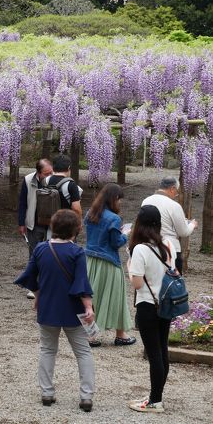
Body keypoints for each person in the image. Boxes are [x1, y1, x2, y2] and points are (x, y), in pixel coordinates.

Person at [14, 209, 95, 412]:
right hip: (73, 309)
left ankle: (47, 393)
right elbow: (81, 283)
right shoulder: (77, 252)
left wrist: (39, 296)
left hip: (48, 308)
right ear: (76, 230)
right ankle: (86, 397)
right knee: (83, 352)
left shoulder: (41, 249)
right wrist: (88, 307)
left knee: (47, 350)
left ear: (53, 227)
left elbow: (30, 276)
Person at [127, 205, 176, 414]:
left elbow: (137, 284)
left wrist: (129, 267)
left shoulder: (140, 249)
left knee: (154, 354)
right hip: (165, 303)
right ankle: (157, 395)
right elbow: (175, 271)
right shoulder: (168, 243)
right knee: (162, 351)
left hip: (148, 305)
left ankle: (155, 401)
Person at [84, 183, 135, 347]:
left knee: (92, 298)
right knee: (116, 297)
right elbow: (115, 243)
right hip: (108, 262)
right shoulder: (114, 218)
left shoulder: (90, 213)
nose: (120, 203)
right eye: (119, 199)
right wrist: (125, 234)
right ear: (114, 199)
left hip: (91, 261)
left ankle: (92, 336)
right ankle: (121, 335)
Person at [141, 176, 197, 274]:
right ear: (172, 189)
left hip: (149, 247)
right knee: (172, 285)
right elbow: (183, 232)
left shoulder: (145, 201)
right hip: (170, 250)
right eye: (177, 191)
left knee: (151, 283)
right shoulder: (174, 205)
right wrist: (192, 224)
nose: (176, 194)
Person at [18, 158, 54, 298]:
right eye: (46, 173)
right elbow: (22, 203)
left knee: (51, 254)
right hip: (34, 223)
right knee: (34, 255)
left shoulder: (55, 179)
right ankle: (33, 286)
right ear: (38, 173)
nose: (49, 176)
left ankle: (49, 284)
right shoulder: (28, 180)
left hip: (52, 223)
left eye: (51, 172)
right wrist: (21, 223)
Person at [47, 154, 82, 218]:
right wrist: (79, 223)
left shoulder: (46, 180)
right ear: (69, 168)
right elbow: (76, 209)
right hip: (65, 222)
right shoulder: (70, 184)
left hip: (48, 221)